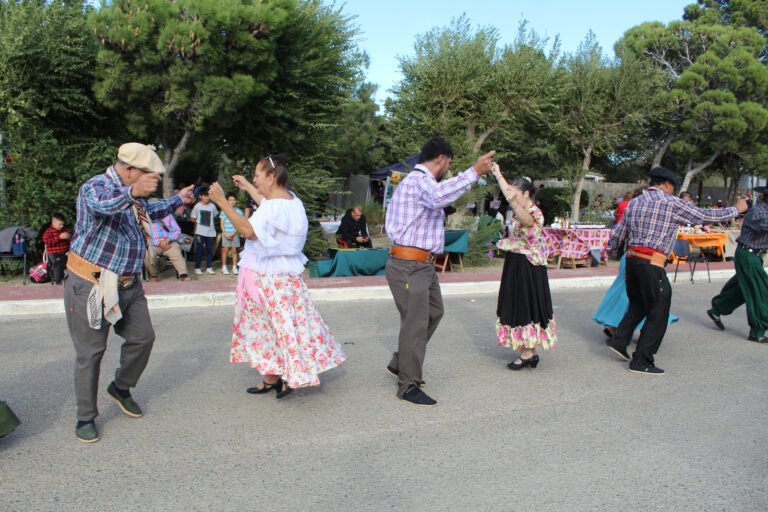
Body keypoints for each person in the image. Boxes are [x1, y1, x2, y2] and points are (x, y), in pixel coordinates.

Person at [64, 142, 194, 442]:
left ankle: (121, 387)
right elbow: (104, 207)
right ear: (129, 169)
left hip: (128, 284)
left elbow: (147, 210)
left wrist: (177, 199)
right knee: (91, 353)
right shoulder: (94, 187)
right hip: (92, 284)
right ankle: (85, 416)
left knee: (143, 338)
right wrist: (133, 193)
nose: (154, 179)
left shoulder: (134, 195)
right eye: (148, 174)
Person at [208, 154, 346, 398]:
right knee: (282, 325)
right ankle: (274, 376)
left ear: (272, 177)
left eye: (258, 176)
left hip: (267, 277)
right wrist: (249, 187)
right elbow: (267, 204)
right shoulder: (293, 201)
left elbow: (248, 230)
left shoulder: (273, 207)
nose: (255, 180)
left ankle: (287, 376)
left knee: (273, 327)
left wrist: (223, 202)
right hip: (285, 275)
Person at [384, 137, 494, 407]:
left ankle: (402, 362)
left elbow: (439, 198)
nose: (449, 169)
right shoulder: (419, 181)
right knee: (416, 322)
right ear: (442, 160)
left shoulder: (422, 182)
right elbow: (437, 196)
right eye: (450, 164)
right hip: (410, 265)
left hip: (421, 265)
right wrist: (474, 172)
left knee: (434, 311)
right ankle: (408, 384)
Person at [606, 166, 747, 375]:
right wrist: (736, 209)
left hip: (632, 261)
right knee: (658, 309)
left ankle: (619, 340)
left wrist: (610, 250)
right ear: (666, 184)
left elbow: (618, 233)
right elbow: (703, 215)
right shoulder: (670, 203)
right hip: (652, 263)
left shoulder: (635, 202)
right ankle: (642, 360)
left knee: (639, 303)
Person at [491, 167, 557, 370]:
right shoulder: (518, 204)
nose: (512, 198)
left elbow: (526, 221)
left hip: (528, 266)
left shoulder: (534, 213)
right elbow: (509, 192)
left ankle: (527, 353)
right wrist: (497, 174)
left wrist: (512, 201)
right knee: (517, 304)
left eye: (516, 194)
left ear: (526, 194)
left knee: (525, 306)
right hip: (516, 262)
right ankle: (529, 351)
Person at [706, 186, 768, 343]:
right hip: (748, 255)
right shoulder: (759, 212)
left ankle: (717, 309)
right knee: (760, 292)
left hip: (753, 255)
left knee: (743, 288)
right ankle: (757, 331)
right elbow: (764, 225)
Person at [145, 213, 189, 282]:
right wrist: (159, 242)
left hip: (169, 241)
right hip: (154, 243)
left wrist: (167, 240)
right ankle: (153, 275)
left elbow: (177, 231)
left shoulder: (168, 215)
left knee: (176, 253)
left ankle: (183, 274)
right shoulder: (145, 217)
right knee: (146, 255)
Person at [191, 188, 218, 275]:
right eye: (205, 196)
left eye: (208, 196)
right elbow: (193, 217)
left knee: (209, 249)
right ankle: (197, 267)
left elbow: (214, 216)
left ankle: (209, 267)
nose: (207, 198)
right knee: (199, 249)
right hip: (200, 232)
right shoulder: (197, 206)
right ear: (200, 196)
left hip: (210, 232)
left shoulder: (212, 206)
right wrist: (197, 222)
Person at [42, 212, 71, 285]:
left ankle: (71, 279)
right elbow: (47, 242)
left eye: (63, 224)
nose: (61, 226)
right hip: (54, 253)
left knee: (73, 260)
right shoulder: (49, 232)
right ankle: (58, 281)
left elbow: (70, 242)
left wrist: (69, 237)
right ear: (53, 222)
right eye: (60, 224)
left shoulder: (65, 230)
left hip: (65, 252)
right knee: (58, 262)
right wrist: (59, 237)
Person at [219, 192, 242, 275]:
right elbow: (222, 223)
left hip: (235, 233)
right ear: (227, 201)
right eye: (230, 200)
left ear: (236, 201)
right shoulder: (224, 210)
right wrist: (225, 233)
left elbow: (239, 223)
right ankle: (224, 267)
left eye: (234, 200)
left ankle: (234, 267)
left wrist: (233, 232)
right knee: (225, 250)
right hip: (225, 233)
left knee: (234, 250)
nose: (232, 201)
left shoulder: (239, 211)